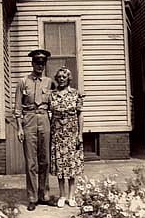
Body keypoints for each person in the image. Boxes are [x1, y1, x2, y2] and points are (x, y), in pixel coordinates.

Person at [14, 49, 55, 211]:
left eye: (42, 63)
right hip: (29, 120)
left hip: (44, 119)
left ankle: (44, 194)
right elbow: (17, 108)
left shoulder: (49, 82)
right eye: (37, 62)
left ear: (45, 64)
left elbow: (54, 105)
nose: (40, 65)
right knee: (31, 162)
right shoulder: (23, 82)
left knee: (45, 160)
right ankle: (32, 197)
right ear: (32, 63)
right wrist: (19, 128)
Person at [49, 67, 84, 208]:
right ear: (57, 79)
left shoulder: (75, 94)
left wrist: (80, 134)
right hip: (58, 133)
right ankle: (62, 196)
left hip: (72, 133)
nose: (62, 79)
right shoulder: (52, 95)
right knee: (60, 166)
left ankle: (71, 196)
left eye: (64, 77)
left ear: (68, 78)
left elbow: (80, 115)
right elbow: (49, 114)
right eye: (59, 77)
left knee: (71, 166)